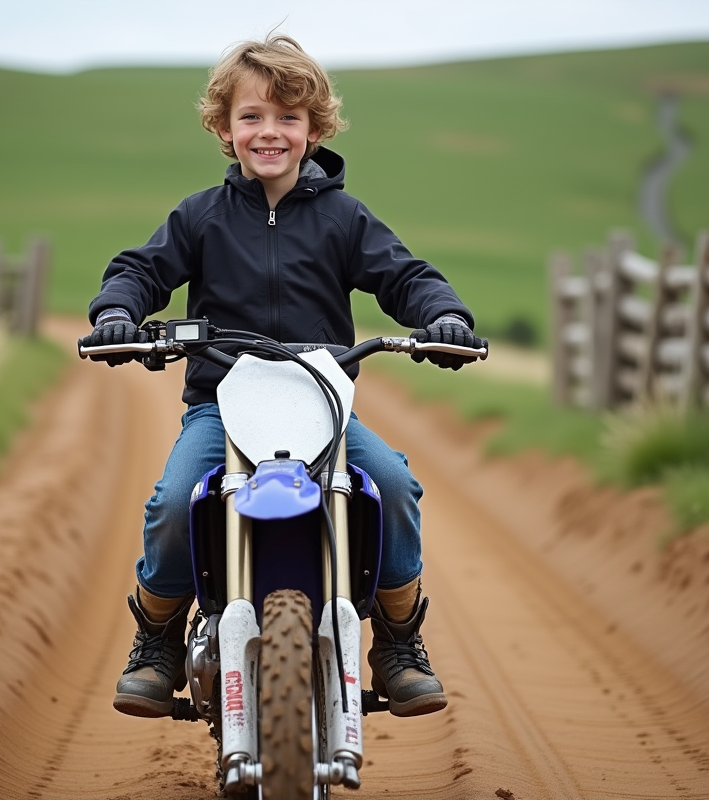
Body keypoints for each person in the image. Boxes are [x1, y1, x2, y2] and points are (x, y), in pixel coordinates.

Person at [78, 34, 484, 720]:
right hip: (222, 407)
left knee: (389, 483)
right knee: (177, 500)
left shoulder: (345, 219)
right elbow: (141, 270)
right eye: (252, 117)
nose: (270, 132)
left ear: (315, 129)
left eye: (288, 118)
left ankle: (396, 640)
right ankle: (156, 640)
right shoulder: (199, 216)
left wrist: (442, 315)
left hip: (321, 406)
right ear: (223, 126)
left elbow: (406, 277)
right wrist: (119, 310)